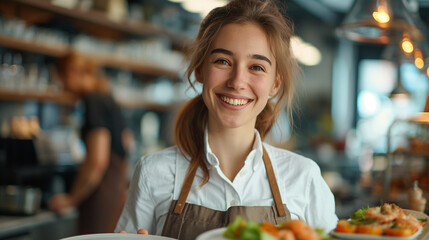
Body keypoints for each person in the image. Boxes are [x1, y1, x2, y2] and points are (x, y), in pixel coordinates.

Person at [115, 0, 338, 238]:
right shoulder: (153, 173)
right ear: (200, 69)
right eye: (223, 61)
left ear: (275, 83)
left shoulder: (303, 177)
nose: (237, 81)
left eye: (257, 67)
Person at [49, 53, 131, 234]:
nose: (60, 87)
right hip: (114, 190)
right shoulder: (107, 98)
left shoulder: (93, 101)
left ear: (70, 73)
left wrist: (70, 200)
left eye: (59, 79)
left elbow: (97, 161)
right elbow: (127, 143)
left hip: (100, 194)